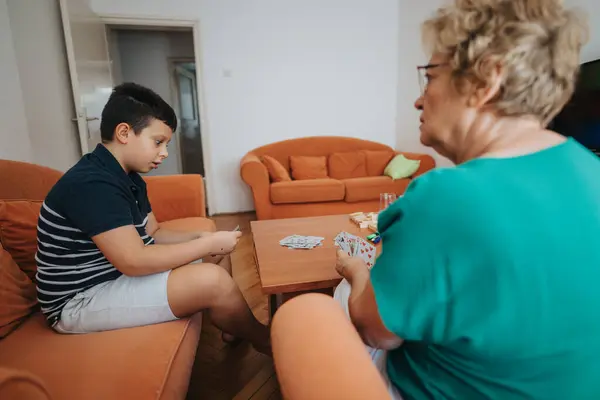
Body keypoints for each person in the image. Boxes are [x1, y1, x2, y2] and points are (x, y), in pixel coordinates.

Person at [334, 0, 600, 398]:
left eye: (430, 77)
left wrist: (356, 271)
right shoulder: (589, 168)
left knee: (313, 311)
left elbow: (378, 332)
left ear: (485, 79)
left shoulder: (446, 194)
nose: (419, 100)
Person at [35, 83, 270, 354]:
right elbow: (134, 261)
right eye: (158, 142)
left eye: (166, 144)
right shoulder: (92, 183)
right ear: (124, 132)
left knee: (217, 250)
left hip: (111, 278)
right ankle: (265, 340)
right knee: (212, 278)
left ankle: (231, 325)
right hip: (79, 301)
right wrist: (205, 245)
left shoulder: (126, 177)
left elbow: (153, 233)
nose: (164, 153)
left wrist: (203, 238)